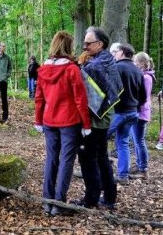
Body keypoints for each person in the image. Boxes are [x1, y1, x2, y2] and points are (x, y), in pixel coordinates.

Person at [34, 31, 91, 216]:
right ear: (68, 46)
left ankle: (46, 201)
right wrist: (86, 124)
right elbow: (80, 99)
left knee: (52, 159)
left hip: (49, 120)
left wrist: (38, 119)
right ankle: (58, 203)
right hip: (69, 121)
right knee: (66, 160)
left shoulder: (43, 69)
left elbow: (39, 98)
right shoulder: (71, 69)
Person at [72, 26, 122, 210]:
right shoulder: (108, 59)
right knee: (101, 157)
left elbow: (79, 79)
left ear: (100, 44)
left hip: (96, 120)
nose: (84, 46)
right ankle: (109, 196)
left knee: (87, 158)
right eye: (84, 42)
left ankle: (91, 199)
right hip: (104, 118)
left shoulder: (95, 66)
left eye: (88, 43)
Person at [106, 43, 146, 185]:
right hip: (133, 113)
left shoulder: (117, 68)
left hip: (120, 113)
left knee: (99, 138)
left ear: (122, 53)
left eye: (116, 52)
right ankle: (123, 175)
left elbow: (109, 90)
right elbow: (144, 96)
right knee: (123, 143)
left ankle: (98, 170)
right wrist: (135, 106)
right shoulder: (138, 71)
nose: (114, 54)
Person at [131, 52, 156, 179]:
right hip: (139, 111)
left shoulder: (146, 78)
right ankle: (139, 164)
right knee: (136, 140)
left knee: (139, 141)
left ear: (142, 63)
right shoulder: (144, 76)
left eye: (135, 62)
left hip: (141, 113)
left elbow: (143, 97)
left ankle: (144, 168)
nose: (134, 64)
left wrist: (134, 107)